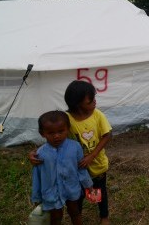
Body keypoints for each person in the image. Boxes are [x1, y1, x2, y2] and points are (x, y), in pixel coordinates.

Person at [30, 80, 112, 224]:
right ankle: (76, 215)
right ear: (77, 104)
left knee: (99, 193)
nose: (95, 102)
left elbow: (108, 135)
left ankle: (103, 216)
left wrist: (92, 156)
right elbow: (54, 137)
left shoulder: (98, 115)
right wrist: (36, 152)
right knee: (77, 196)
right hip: (75, 168)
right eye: (90, 100)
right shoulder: (65, 119)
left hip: (97, 165)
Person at [31, 111, 93, 225]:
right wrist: (36, 196)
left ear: (68, 129)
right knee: (55, 217)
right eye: (51, 133)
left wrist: (88, 185)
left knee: (75, 212)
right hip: (51, 192)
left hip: (71, 188)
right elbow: (37, 176)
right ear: (42, 133)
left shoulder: (75, 147)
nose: (56, 136)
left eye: (61, 131)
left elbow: (81, 168)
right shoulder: (40, 154)